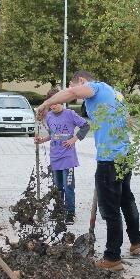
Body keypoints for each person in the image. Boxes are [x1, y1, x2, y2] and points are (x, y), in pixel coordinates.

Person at [36, 71, 140, 271]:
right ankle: (136, 242)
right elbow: (128, 120)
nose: (72, 92)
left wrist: (45, 104)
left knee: (110, 210)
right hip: (125, 155)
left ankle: (112, 258)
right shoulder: (115, 93)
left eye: (72, 85)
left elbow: (71, 93)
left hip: (110, 159)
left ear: (82, 81)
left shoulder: (97, 87)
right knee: (126, 199)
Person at [34, 87, 90, 224]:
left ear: (62, 101)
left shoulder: (70, 114)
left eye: (56, 102)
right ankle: (59, 209)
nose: (53, 105)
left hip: (68, 158)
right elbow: (53, 135)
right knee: (57, 186)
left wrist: (73, 139)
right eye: (51, 103)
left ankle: (70, 212)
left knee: (68, 185)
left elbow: (85, 126)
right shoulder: (49, 117)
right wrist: (41, 140)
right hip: (55, 157)